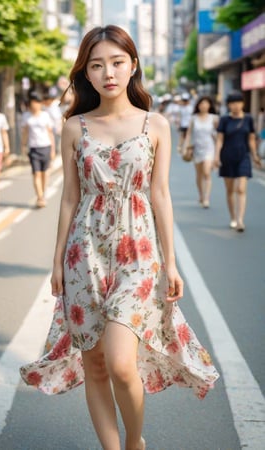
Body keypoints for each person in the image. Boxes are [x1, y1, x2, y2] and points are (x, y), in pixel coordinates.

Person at [20, 25, 219, 450]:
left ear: (132, 66)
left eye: (116, 62)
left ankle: (133, 442)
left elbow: (160, 195)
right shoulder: (74, 127)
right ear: (85, 74)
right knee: (94, 364)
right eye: (96, 65)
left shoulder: (157, 125)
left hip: (138, 253)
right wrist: (57, 261)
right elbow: (70, 199)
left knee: (121, 363)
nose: (108, 72)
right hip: (83, 254)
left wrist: (171, 263)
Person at [214, 90, 262, 231]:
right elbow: (219, 140)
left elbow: (251, 140)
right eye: (233, 103)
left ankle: (240, 220)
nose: (236, 105)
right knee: (230, 190)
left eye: (238, 102)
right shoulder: (224, 120)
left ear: (243, 103)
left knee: (240, 189)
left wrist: (255, 156)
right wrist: (216, 157)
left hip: (243, 157)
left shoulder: (248, 119)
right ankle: (233, 217)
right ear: (229, 105)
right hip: (227, 157)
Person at [21, 91, 55, 208]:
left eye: (38, 102)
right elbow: (25, 132)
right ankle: (40, 197)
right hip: (33, 148)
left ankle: (43, 194)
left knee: (45, 174)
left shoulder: (45, 115)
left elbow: (50, 133)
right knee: (36, 174)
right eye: (33, 102)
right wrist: (23, 146)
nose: (35, 104)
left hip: (45, 146)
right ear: (30, 103)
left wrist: (53, 149)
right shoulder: (26, 116)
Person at [184, 96, 218, 208]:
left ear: (209, 105)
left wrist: (219, 153)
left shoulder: (214, 118)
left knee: (206, 172)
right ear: (198, 105)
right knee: (199, 174)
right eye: (201, 103)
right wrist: (186, 146)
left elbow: (218, 136)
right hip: (197, 148)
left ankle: (206, 199)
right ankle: (201, 195)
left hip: (209, 148)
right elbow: (189, 133)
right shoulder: (194, 118)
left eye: (206, 103)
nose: (204, 106)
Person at [43, 89, 63, 153]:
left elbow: (60, 118)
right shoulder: (44, 106)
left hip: (56, 128)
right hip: (47, 129)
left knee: (56, 144)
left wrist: (60, 127)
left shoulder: (56, 105)